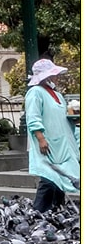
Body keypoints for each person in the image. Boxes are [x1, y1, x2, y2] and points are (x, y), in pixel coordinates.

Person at [23, 58, 80, 213]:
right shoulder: (35, 93)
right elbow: (33, 117)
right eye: (54, 74)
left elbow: (62, 118)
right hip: (47, 144)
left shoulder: (57, 95)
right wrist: (41, 138)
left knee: (61, 179)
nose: (57, 77)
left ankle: (56, 210)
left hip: (61, 144)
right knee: (48, 178)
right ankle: (38, 213)